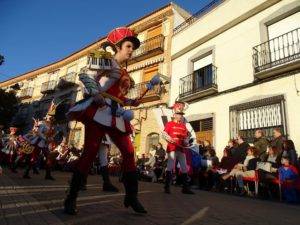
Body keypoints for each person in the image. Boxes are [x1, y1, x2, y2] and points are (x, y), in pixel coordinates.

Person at [64, 27, 149, 215]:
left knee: (128, 151)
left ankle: (132, 196)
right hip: (99, 110)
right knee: (91, 151)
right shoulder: (105, 59)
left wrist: (130, 101)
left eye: (132, 47)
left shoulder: (126, 73)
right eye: (128, 46)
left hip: (116, 113)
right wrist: (95, 93)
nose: (131, 50)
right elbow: (85, 75)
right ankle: (71, 197)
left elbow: (119, 97)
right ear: (117, 46)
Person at [162, 101, 194, 195]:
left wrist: (186, 141)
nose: (180, 116)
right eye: (179, 114)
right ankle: (167, 187)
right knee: (170, 166)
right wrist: (170, 139)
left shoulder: (183, 125)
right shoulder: (169, 124)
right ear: (174, 114)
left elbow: (186, 136)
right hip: (172, 147)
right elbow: (164, 133)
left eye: (181, 114)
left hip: (181, 148)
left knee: (184, 167)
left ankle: (185, 188)